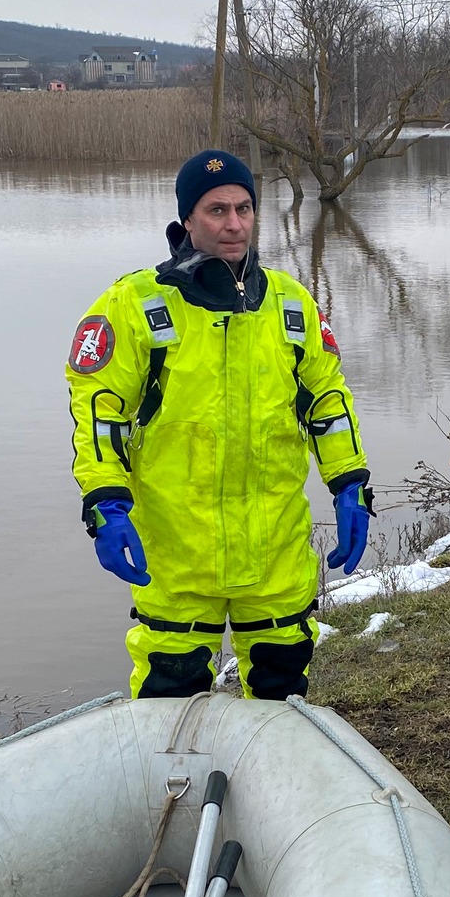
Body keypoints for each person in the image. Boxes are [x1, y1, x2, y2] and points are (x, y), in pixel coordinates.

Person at [66, 149, 371, 700]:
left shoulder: (292, 304)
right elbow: (98, 411)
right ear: (187, 220)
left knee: (281, 697)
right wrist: (105, 504)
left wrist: (350, 484)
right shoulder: (134, 305)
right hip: (177, 548)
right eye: (216, 211)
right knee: (169, 705)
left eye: (244, 208)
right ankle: (170, 788)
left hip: (274, 547)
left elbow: (327, 400)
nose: (234, 224)